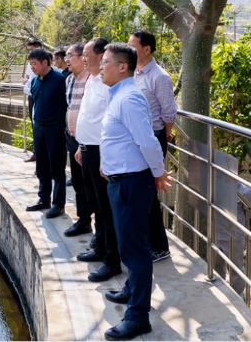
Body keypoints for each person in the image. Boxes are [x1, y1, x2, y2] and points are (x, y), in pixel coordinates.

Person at [99, 43, 173, 341]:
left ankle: (138, 316)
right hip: (121, 180)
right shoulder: (118, 95)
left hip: (131, 183)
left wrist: (158, 172)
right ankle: (131, 289)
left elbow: (147, 140)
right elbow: (120, 139)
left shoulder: (129, 98)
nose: (100, 68)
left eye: (104, 62)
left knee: (135, 250)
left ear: (122, 67)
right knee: (127, 243)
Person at [74, 37, 122, 282]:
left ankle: (112, 261)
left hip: (101, 153)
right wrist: (81, 145)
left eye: (86, 53)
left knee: (106, 209)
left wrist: (105, 156)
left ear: (100, 55)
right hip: (87, 150)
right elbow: (88, 117)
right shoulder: (91, 80)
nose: (83, 57)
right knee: (95, 204)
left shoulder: (107, 84)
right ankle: (100, 247)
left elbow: (108, 124)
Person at [128, 28, 178, 263]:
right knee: (140, 192)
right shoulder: (134, 74)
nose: (128, 50)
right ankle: (146, 242)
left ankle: (159, 247)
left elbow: (169, 112)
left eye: (132, 46)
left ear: (146, 49)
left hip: (154, 138)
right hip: (138, 139)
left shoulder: (159, 77)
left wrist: (165, 134)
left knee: (148, 194)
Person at [24, 48, 68, 218]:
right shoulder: (35, 80)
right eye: (30, 64)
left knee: (57, 168)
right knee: (41, 166)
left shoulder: (59, 79)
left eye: (34, 64)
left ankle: (58, 204)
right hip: (39, 128)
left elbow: (66, 104)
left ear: (45, 62)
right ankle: (44, 199)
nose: (32, 67)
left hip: (55, 129)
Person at [62, 42, 92, 237]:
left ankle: (102, 231)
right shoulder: (69, 80)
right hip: (72, 137)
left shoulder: (93, 79)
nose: (66, 60)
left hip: (88, 141)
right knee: (79, 183)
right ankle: (84, 221)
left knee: (92, 185)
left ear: (83, 57)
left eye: (70, 55)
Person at [22, 39, 42, 162]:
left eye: (32, 50)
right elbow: (26, 77)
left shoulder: (46, 60)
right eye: (29, 51)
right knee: (34, 124)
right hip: (32, 95)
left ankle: (42, 155)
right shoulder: (31, 63)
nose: (31, 53)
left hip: (41, 95)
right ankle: (36, 152)